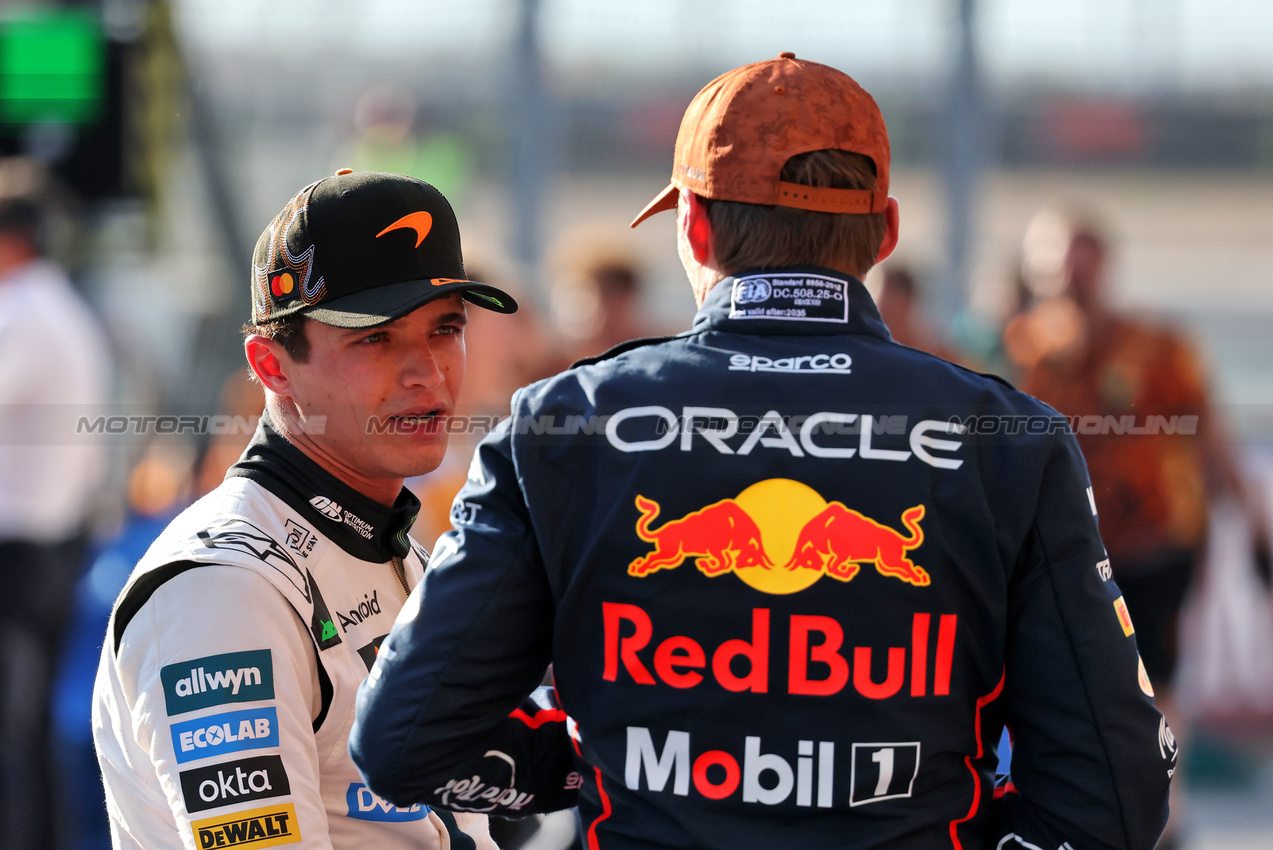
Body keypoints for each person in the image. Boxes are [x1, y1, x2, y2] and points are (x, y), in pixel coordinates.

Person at [351, 55, 1173, 850]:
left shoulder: (560, 427)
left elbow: (404, 741)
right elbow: (1112, 787)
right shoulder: (1009, 442)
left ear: (693, 225)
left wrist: (597, 765)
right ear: (885, 232)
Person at [92, 170, 519, 849]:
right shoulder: (223, 590)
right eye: (376, 338)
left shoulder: (397, 549)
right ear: (271, 366)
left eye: (445, 328)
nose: (427, 372)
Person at [1009, 210, 1270, 848]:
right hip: (1063, 549)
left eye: (1079, 262)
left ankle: (1165, 821)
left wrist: (1253, 522)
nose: (1068, 277)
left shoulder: (1158, 347)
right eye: (1055, 264)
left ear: (1103, 263)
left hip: (1156, 546)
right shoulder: (1022, 349)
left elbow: (1209, 435)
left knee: (1157, 684)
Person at [0, 157, 112, 849]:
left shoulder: (23, 311)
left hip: (22, 555)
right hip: (51, 547)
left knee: (13, 735)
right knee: (29, 730)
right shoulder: (59, 308)